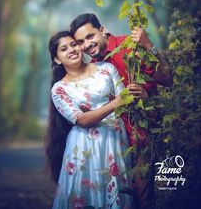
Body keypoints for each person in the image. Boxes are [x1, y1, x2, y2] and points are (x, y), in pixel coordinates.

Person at [70, 13, 173, 209]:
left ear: (102, 30)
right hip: (112, 142)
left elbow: (167, 80)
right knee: (118, 197)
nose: (87, 45)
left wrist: (149, 47)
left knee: (143, 195)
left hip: (141, 133)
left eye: (90, 36)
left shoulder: (129, 45)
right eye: (81, 42)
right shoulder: (92, 66)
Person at [46, 30, 135, 209]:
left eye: (73, 44)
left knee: (118, 191)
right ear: (57, 59)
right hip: (83, 146)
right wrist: (115, 103)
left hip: (114, 140)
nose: (71, 50)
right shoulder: (59, 89)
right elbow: (81, 120)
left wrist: (129, 97)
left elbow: (127, 100)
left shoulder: (106, 69)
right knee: (85, 196)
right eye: (64, 49)